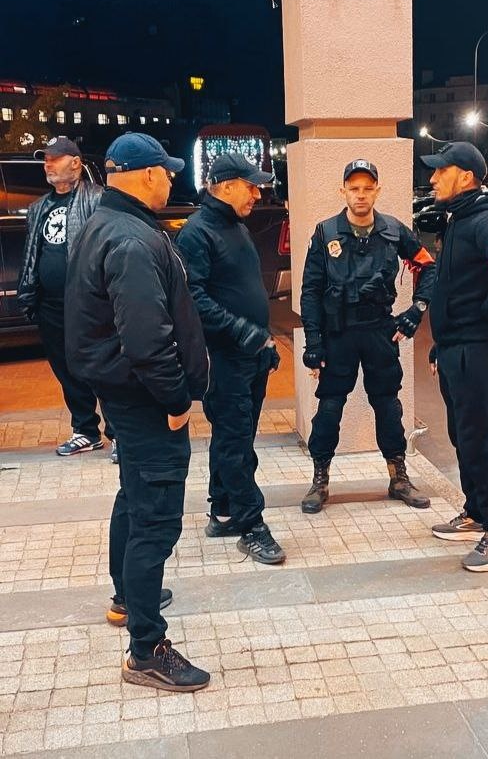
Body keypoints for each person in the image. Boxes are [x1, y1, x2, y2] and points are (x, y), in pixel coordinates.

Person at [64, 132, 210, 692]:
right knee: (155, 519)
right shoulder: (129, 239)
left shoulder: (107, 223)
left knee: (133, 496)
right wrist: (176, 401)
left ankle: (128, 597)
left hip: (126, 395)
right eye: (166, 171)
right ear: (146, 174)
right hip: (147, 400)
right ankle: (146, 649)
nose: (171, 179)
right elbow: (147, 341)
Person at [300, 159, 436, 513]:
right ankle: (320, 480)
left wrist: (417, 310)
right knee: (329, 408)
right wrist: (313, 343)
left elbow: (428, 267)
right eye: (354, 188)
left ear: (377, 191)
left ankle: (398, 478)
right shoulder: (325, 233)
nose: (360, 195)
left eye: (367, 188)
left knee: (388, 406)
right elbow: (310, 290)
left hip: (379, 331)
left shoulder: (394, 230)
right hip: (338, 334)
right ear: (343, 191)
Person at [420, 142, 488, 571]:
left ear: (465, 176)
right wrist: (441, 342)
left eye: (440, 171)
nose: (433, 178)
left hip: (476, 350)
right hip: (455, 347)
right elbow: (456, 287)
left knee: (476, 441)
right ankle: (476, 512)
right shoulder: (460, 218)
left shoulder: (486, 221)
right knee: (461, 436)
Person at [176, 153, 285, 565]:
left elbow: (242, 289)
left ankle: (222, 511)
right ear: (224, 186)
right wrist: (243, 332)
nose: (258, 194)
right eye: (250, 186)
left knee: (234, 439)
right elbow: (194, 299)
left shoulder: (235, 226)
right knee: (236, 444)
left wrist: (263, 342)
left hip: (251, 355)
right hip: (224, 358)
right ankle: (250, 524)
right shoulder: (197, 232)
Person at [17, 135, 116, 460]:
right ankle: (85, 430)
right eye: (45, 159)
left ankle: (119, 433)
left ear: (75, 163)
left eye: (54, 158)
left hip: (89, 302)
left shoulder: (97, 199)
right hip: (50, 304)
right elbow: (33, 253)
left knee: (102, 366)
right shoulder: (39, 208)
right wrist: (30, 292)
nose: (47, 164)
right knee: (66, 368)